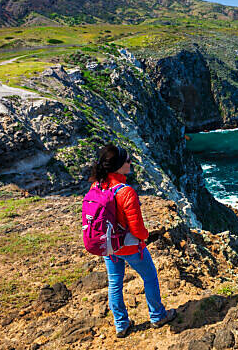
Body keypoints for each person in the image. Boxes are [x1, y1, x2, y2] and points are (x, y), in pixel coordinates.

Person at [89, 143, 177, 338]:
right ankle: (157, 316)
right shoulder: (125, 191)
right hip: (129, 247)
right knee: (150, 277)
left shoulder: (97, 185)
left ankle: (121, 324)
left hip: (109, 247)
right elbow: (137, 228)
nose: (131, 162)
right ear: (119, 166)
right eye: (127, 160)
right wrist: (146, 237)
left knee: (114, 283)